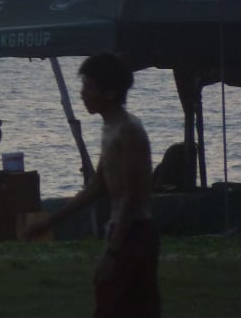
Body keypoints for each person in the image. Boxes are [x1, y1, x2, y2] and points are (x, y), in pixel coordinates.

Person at [25, 52, 160, 317]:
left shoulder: (128, 130)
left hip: (134, 232)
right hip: (121, 231)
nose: (82, 94)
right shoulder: (110, 128)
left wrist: (113, 251)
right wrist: (49, 221)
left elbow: (132, 198)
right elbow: (97, 188)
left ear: (109, 93)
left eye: (88, 88)